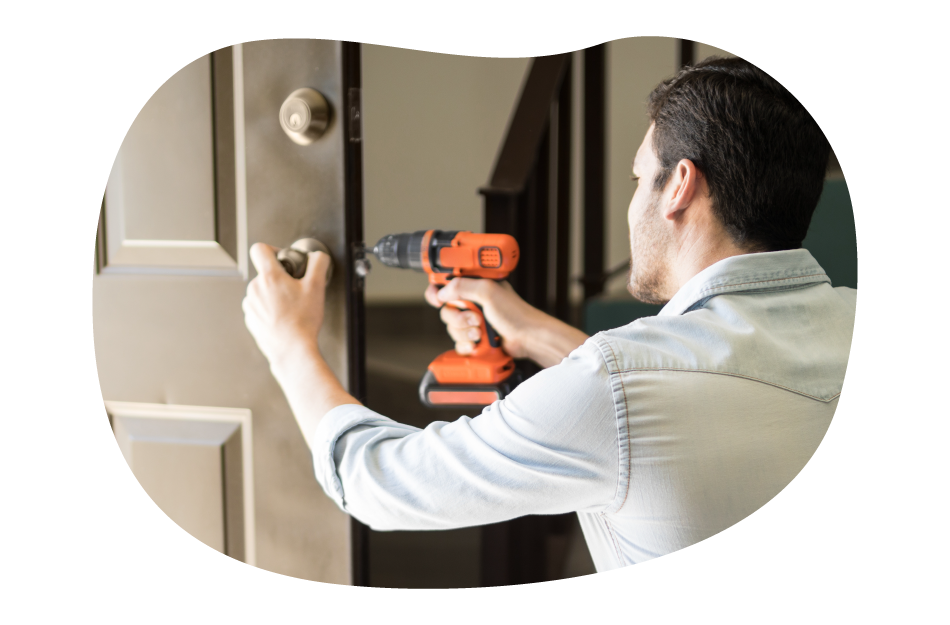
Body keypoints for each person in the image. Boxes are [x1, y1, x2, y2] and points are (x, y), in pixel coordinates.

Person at [241, 56, 877, 588]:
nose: (633, 202)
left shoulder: (614, 387)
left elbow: (378, 482)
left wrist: (289, 343)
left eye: (639, 178)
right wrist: (534, 332)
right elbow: (697, 393)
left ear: (680, 186)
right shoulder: (877, 332)